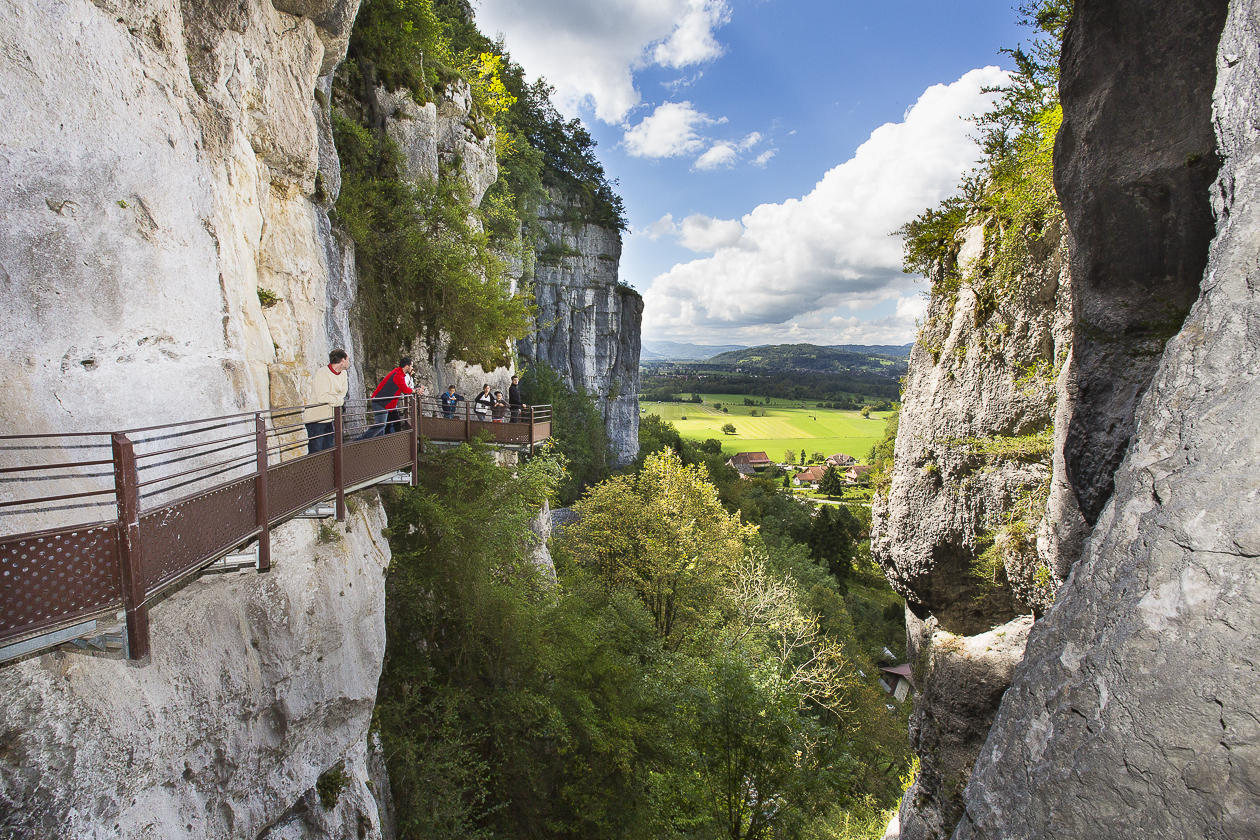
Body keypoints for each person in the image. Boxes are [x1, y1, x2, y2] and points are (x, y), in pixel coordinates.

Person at [303, 349, 350, 454]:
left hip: (329, 418)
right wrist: (338, 400)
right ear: (342, 360)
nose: (348, 362)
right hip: (315, 419)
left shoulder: (343, 374)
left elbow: (343, 393)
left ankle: (328, 470)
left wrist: (334, 399)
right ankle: (313, 470)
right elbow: (322, 398)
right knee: (316, 451)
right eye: (347, 359)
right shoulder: (322, 373)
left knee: (329, 450)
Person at [364, 357, 414, 439]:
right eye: (411, 366)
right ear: (406, 366)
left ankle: (381, 444)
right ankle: (362, 440)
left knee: (386, 426)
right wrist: (415, 391)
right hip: (381, 402)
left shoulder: (398, 373)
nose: (412, 368)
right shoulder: (398, 375)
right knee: (381, 426)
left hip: (387, 403)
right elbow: (405, 389)